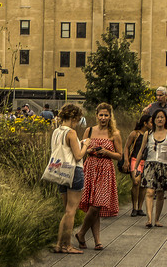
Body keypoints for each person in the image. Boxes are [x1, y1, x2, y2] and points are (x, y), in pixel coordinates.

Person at [75, 103, 122, 250]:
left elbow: (120, 156)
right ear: (96, 116)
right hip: (90, 168)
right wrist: (89, 150)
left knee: (96, 205)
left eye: (106, 115)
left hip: (105, 170)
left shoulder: (115, 134)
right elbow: (82, 149)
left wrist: (107, 152)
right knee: (93, 206)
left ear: (110, 116)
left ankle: (81, 233)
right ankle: (97, 241)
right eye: (101, 115)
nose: (103, 118)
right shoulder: (89, 131)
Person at [49, 103, 88, 253]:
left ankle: (59, 244)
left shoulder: (56, 132)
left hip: (60, 171)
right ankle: (68, 245)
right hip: (74, 171)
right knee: (71, 211)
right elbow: (78, 155)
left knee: (66, 210)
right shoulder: (71, 133)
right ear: (73, 117)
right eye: (77, 119)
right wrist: (85, 145)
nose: (77, 123)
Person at [139, 86, 167, 216]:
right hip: (156, 138)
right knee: (153, 188)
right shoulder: (153, 106)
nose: (158, 97)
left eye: (160, 95)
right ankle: (151, 216)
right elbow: (146, 118)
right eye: (157, 95)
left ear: (165, 95)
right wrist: (145, 112)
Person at [140, 107, 167, 228]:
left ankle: (157, 219)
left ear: (166, 120)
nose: (160, 119)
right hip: (150, 164)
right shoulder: (148, 134)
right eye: (157, 117)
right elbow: (141, 150)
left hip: (164, 165)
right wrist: (136, 166)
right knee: (149, 191)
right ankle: (149, 218)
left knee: (160, 193)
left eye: (162, 117)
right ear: (153, 120)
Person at [125, 116, 149, 216]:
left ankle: (139, 207)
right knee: (136, 182)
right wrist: (126, 160)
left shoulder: (151, 134)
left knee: (143, 184)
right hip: (135, 160)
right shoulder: (135, 134)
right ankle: (134, 207)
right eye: (150, 122)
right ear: (145, 123)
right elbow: (126, 146)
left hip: (146, 161)